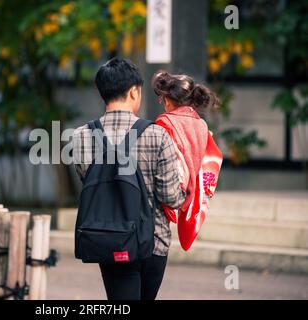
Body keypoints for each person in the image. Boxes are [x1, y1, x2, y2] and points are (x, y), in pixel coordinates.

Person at [72, 58, 186, 300]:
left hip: (108, 238)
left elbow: (90, 181)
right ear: (134, 91)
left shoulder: (81, 136)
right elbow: (171, 198)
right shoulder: (158, 135)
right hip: (152, 243)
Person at [151, 70, 223, 250]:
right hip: (188, 189)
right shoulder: (201, 124)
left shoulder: (164, 122)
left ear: (167, 100)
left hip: (164, 192)